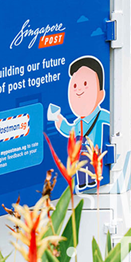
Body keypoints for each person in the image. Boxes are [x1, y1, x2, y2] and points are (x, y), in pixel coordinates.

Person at [51, 55, 110, 188]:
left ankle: (92, 180)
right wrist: (58, 118)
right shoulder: (79, 122)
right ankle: (82, 182)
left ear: (100, 95)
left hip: (94, 152)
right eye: (75, 85)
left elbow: (114, 121)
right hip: (79, 152)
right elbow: (68, 129)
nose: (79, 90)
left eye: (85, 84)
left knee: (90, 166)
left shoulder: (100, 115)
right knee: (80, 168)